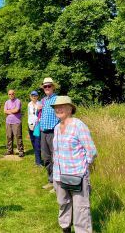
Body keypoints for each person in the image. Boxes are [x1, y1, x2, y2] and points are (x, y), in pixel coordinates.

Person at [51, 96, 97, 233]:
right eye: (56, 107)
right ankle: (66, 229)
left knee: (81, 209)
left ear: (70, 108)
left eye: (62, 106)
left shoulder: (78, 125)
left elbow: (91, 151)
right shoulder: (57, 128)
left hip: (77, 175)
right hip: (59, 175)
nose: (58, 109)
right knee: (63, 204)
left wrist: (83, 169)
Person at [39, 77, 59, 190]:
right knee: (46, 158)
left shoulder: (57, 99)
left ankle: (57, 184)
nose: (47, 88)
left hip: (53, 132)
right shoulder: (43, 100)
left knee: (55, 158)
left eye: (49, 86)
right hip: (43, 132)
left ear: (53, 87)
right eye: (45, 86)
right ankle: (51, 180)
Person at [4, 89, 24, 157]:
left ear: (14, 94)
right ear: (8, 95)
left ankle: (21, 151)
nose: (11, 95)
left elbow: (17, 110)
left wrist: (9, 111)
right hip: (8, 122)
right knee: (9, 136)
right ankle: (10, 150)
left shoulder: (18, 101)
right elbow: (5, 111)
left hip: (16, 122)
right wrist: (11, 111)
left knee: (18, 136)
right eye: (9, 94)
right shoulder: (7, 102)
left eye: (12, 94)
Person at [27, 90, 42, 166]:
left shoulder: (40, 104)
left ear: (37, 96)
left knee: (37, 143)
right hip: (30, 125)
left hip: (37, 125)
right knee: (33, 142)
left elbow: (41, 115)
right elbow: (29, 115)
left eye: (35, 96)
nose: (34, 97)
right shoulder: (29, 104)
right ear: (30, 96)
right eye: (32, 96)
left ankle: (38, 162)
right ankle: (37, 157)